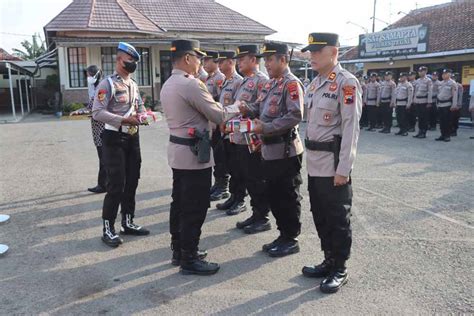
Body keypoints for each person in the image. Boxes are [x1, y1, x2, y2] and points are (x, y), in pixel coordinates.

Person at [161, 39, 241, 275]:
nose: (201, 63)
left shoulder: (169, 83)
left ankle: (179, 249)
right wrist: (239, 106)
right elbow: (217, 115)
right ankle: (190, 257)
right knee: (194, 207)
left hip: (179, 153)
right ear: (187, 58)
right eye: (198, 58)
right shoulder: (191, 85)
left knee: (179, 203)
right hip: (195, 155)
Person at [299, 32, 362, 294]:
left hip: (334, 164)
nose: (311, 56)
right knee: (320, 214)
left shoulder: (346, 83)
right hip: (315, 163)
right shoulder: (315, 84)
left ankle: (340, 268)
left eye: (317, 51)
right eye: (310, 52)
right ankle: (328, 259)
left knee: (337, 218)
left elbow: (351, 129)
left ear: (333, 52)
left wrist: (343, 169)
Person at [239, 42, 304, 258]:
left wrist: (266, 127)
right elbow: (258, 108)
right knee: (274, 195)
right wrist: (245, 109)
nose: (265, 64)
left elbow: (295, 115)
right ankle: (282, 234)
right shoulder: (270, 84)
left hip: (285, 150)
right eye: (265, 60)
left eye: (269, 59)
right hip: (268, 150)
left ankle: (291, 238)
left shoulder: (291, 84)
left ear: (283, 60)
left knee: (287, 195)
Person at [92, 42, 150, 247]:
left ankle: (128, 221)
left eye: (135, 61)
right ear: (119, 60)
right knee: (116, 184)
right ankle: (108, 228)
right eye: (130, 60)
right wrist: (124, 120)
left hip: (133, 138)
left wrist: (145, 115)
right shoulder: (107, 84)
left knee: (132, 180)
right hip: (114, 138)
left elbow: (140, 107)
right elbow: (97, 112)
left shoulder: (133, 84)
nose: (133, 63)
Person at [228, 44, 272, 234]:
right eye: (238, 60)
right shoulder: (245, 81)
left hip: (253, 139)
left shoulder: (262, 80)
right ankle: (256, 213)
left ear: (254, 60)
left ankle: (262, 217)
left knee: (256, 179)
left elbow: (264, 109)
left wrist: (249, 109)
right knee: (247, 177)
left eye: (242, 59)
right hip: (240, 137)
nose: (238, 63)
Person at [215, 51, 245, 215]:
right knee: (230, 166)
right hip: (224, 129)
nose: (219, 65)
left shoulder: (239, 81)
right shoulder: (226, 81)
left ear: (230, 63)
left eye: (222, 62)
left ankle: (239, 199)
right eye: (218, 62)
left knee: (238, 168)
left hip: (233, 129)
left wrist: (226, 123)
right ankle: (233, 196)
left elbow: (238, 108)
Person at [70, 65, 106, 193]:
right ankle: (105, 184)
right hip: (98, 128)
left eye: (89, 75)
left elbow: (97, 107)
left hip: (102, 129)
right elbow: (92, 107)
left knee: (104, 158)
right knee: (103, 158)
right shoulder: (97, 88)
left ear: (95, 75)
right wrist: (79, 111)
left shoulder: (101, 89)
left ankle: (103, 185)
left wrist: (80, 112)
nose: (88, 78)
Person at [204, 51, 230, 202]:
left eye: (208, 60)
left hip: (218, 124)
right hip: (212, 124)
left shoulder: (219, 78)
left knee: (221, 157)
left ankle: (223, 186)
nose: (205, 63)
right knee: (216, 156)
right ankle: (218, 183)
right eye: (204, 61)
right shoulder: (209, 78)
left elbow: (219, 102)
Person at [435, 69, 458, 142]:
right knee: (441, 122)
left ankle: (447, 136)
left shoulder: (452, 83)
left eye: (446, 73)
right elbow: (438, 94)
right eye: (443, 74)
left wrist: (453, 105)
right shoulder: (441, 83)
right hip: (440, 104)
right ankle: (442, 135)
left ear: (450, 74)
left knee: (447, 121)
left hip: (447, 105)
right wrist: (437, 104)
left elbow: (455, 95)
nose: (443, 75)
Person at [412, 66, 433, 139]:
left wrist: (429, 102)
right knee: (419, 118)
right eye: (419, 71)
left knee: (424, 118)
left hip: (424, 101)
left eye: (422, 71)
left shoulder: (428, 80)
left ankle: (424, 132)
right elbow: (415, 92)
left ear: (425, 71)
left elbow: (430, 92)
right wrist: (414, 100)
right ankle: (419, 131)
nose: (420, 72)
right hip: (418, 101)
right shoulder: (417, 81)